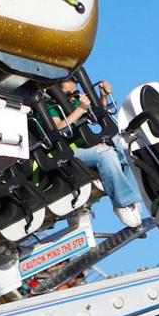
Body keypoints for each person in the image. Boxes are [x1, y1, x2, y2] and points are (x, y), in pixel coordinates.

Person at [45, 78, 143, 228]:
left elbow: (95, 117)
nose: (72, 97)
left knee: (122, 143)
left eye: (75, 93)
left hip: (88, 145)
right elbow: (57, 127)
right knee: (106, 154)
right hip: (67, 153)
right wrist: (80, 110)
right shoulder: (50, 107)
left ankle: (132, 197)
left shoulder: (76, 102)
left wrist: (102, 95)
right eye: (67, 94)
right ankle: (122, 204)